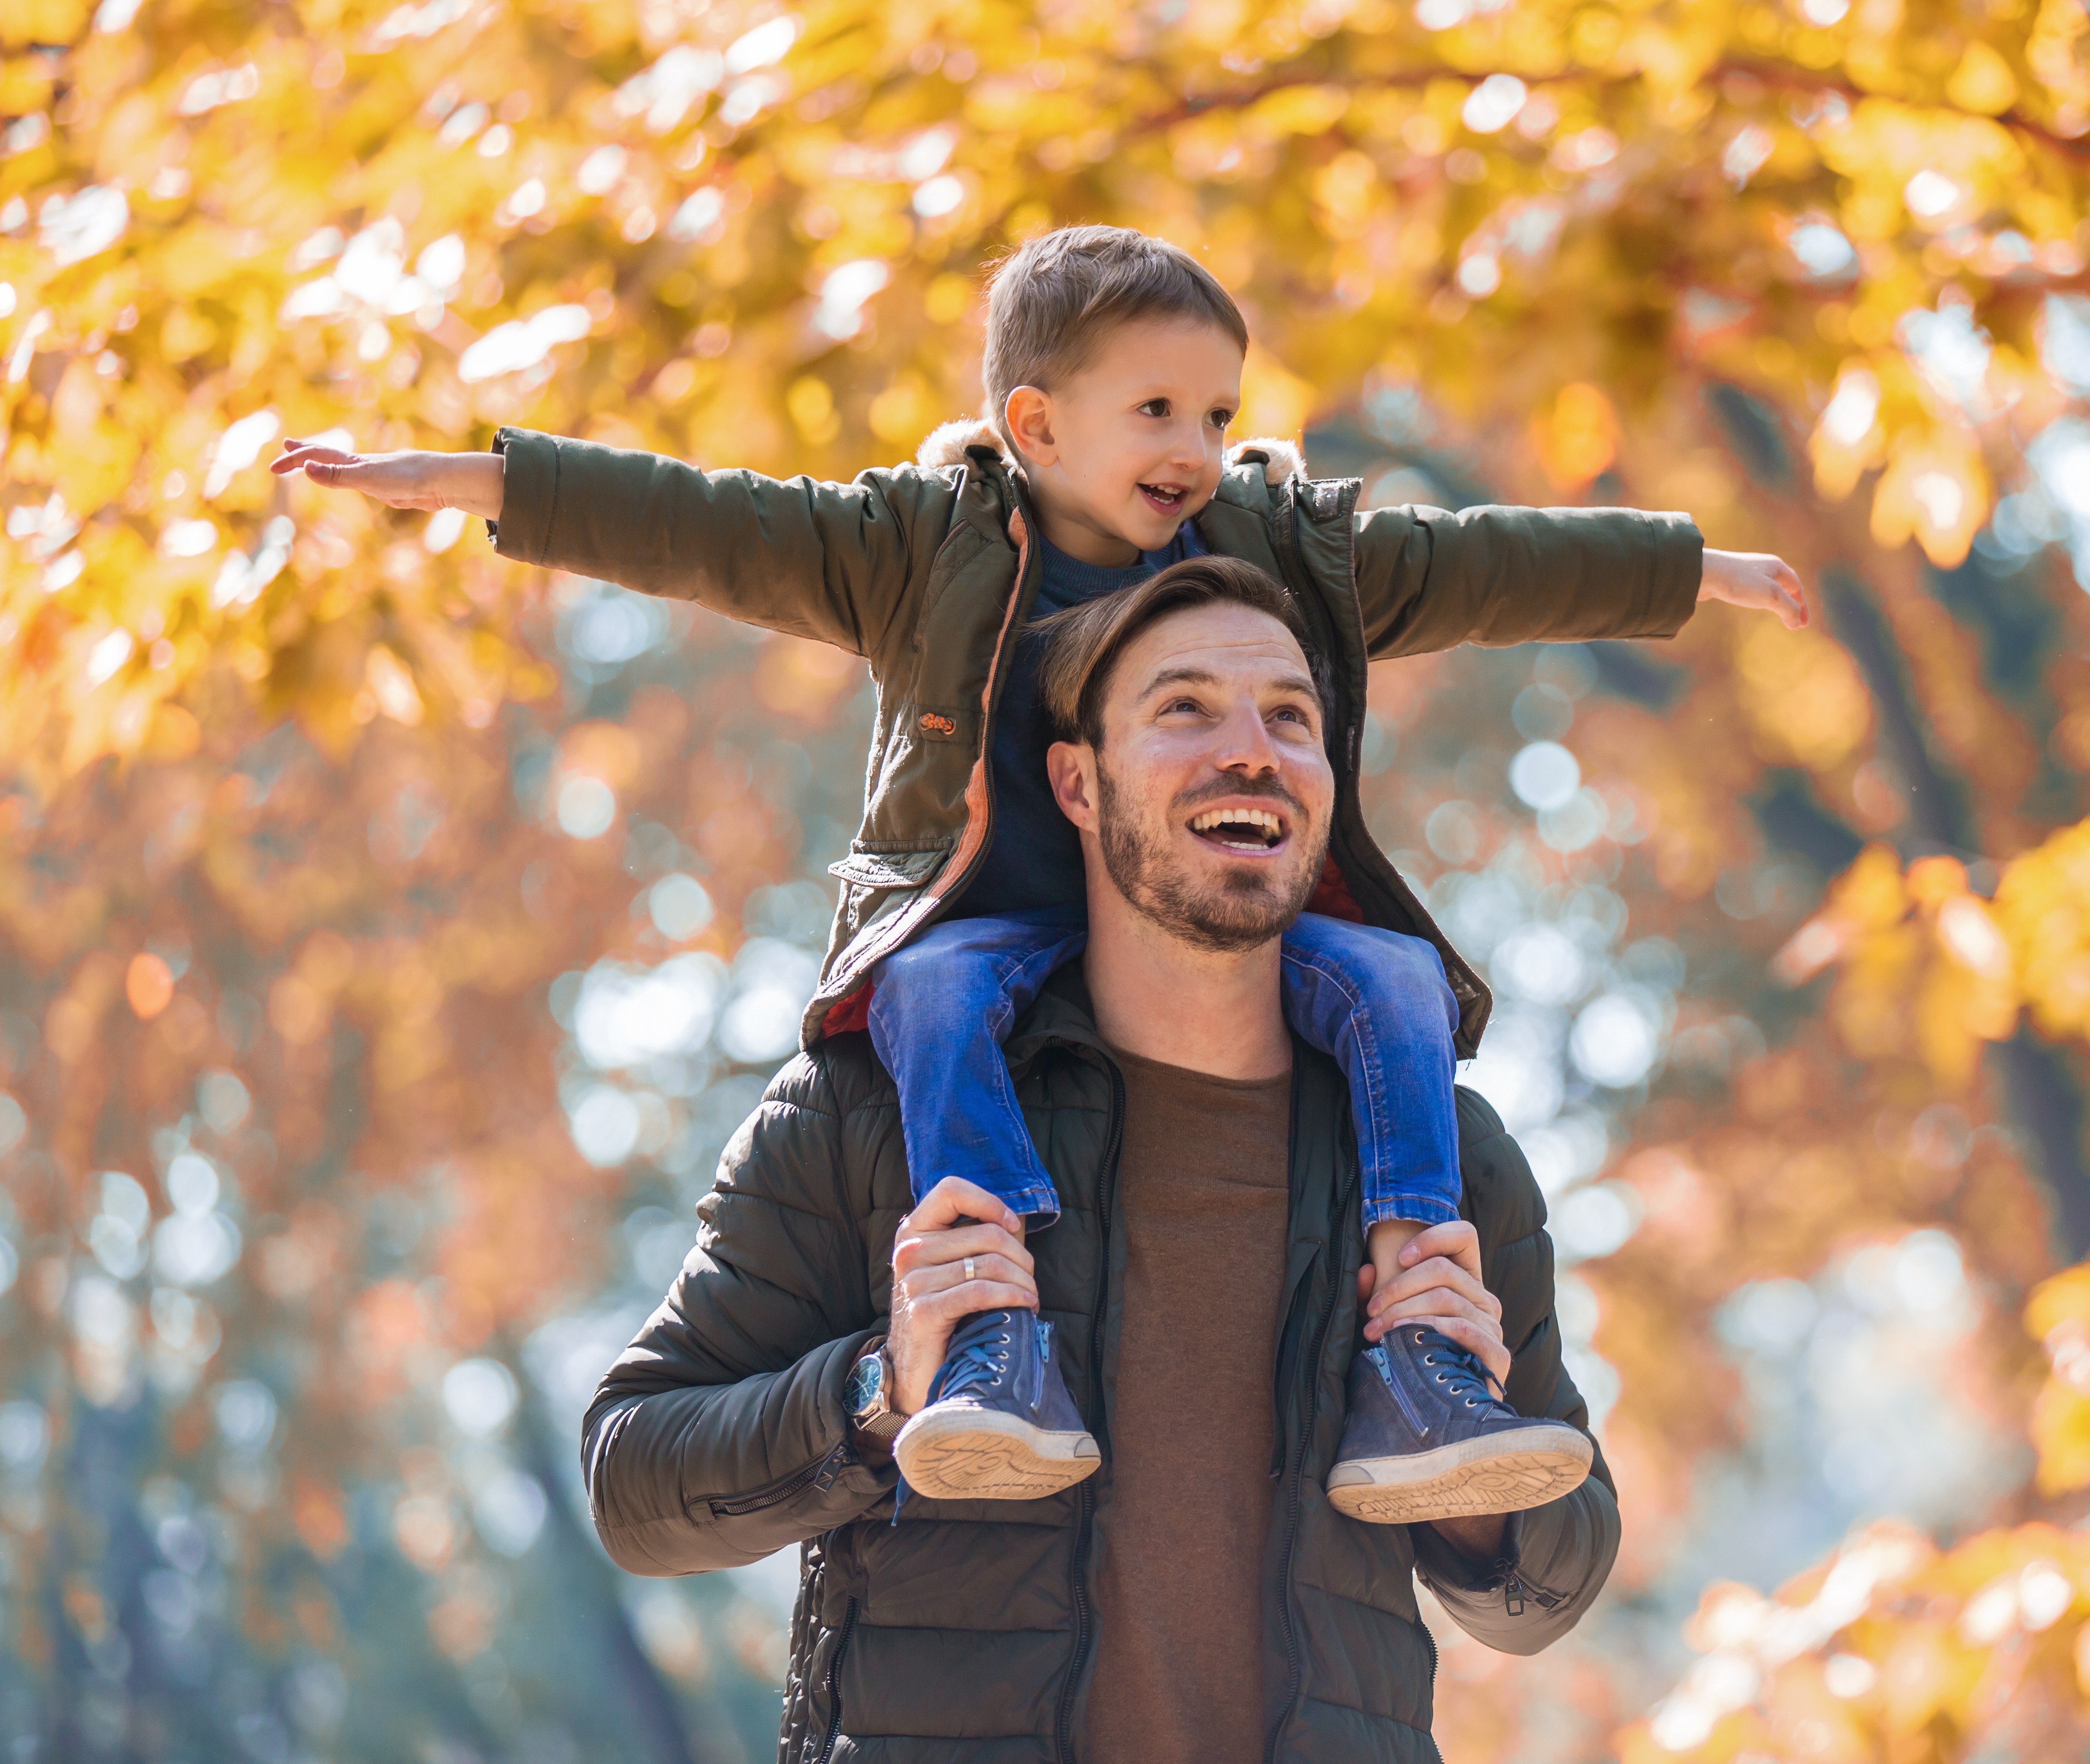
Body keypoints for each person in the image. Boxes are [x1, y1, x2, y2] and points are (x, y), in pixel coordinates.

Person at [271, 224, 1806, 1518]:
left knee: (1399, 973)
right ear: (1036, 423)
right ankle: (996, 1329)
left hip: (1211, 939)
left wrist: (1695, 570)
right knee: (927, 989)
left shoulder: (1281, 547)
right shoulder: (913, 546)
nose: (1199, 453)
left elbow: (1486, 567)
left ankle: (1419, 1339)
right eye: (1158, 413)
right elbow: (691, 522)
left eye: (1219, 414)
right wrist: (462, 484)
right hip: (990, 930)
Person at [578, 560, 1620, 1761]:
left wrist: (1485, 1485)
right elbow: (632, 1482)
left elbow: (1558, 1580)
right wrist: (883, 1389)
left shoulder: (1439, 1155)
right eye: (1185, 708)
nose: (1252, 749)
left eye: (1292, 717)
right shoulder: (877, 1116)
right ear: (1076, 781)